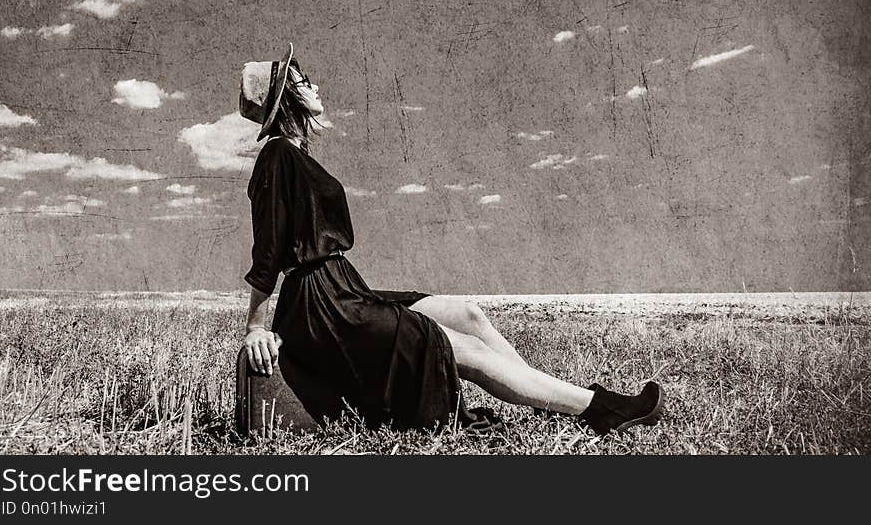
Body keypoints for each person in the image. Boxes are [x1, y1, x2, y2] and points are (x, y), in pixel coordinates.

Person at [240, 44, 664, 436]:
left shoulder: (296, 155)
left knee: (468, 315)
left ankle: (547, 398)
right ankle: (601, 409)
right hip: (323, 306)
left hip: (344, 288)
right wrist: (255, 327)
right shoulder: (277, 155)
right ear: (288, 99)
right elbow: (269, 247)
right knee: (457, 346)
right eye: (302, 80)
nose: (314, 85)